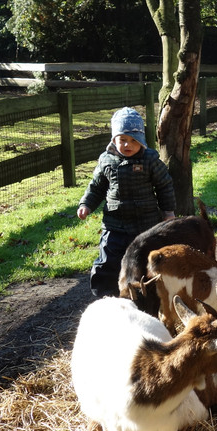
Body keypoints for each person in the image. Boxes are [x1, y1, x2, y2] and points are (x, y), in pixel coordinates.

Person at [77, 106, 176, 297]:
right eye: (122, 140)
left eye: (133, 140)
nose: (127, 145)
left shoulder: (150, 159)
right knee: (109, 261)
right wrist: (86, 204)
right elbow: (96, 186)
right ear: (114, 140)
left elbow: (164, 185)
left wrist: (168, 212)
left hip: (146, 224)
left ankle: (149, 295)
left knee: (145, 260)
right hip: (115, 225)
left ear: (141, 141)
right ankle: (106, 295)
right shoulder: (106, 160)